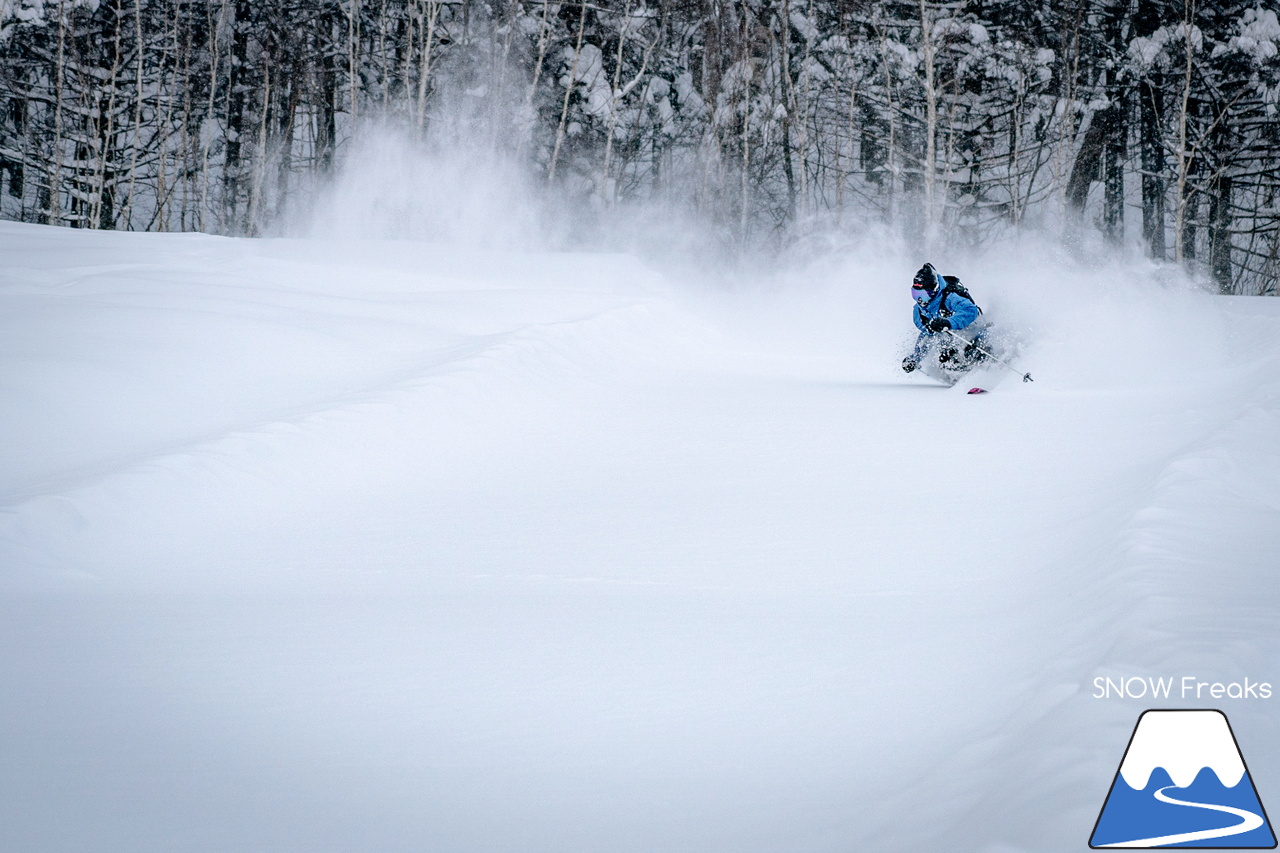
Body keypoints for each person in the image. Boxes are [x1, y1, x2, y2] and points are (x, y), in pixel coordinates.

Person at [902, 262, 987, 375]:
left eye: (924, 295)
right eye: (916, 295)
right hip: (951, 338)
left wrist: (948, 322)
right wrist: (915, 358)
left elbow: (970, 310)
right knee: (945, 356)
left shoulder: (949, 297)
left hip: (973, 330)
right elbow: (927, 336)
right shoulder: (919, 312)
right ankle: (960, 379)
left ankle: (985, 373)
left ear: (935, 290)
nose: (920, 300)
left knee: (973, 351)